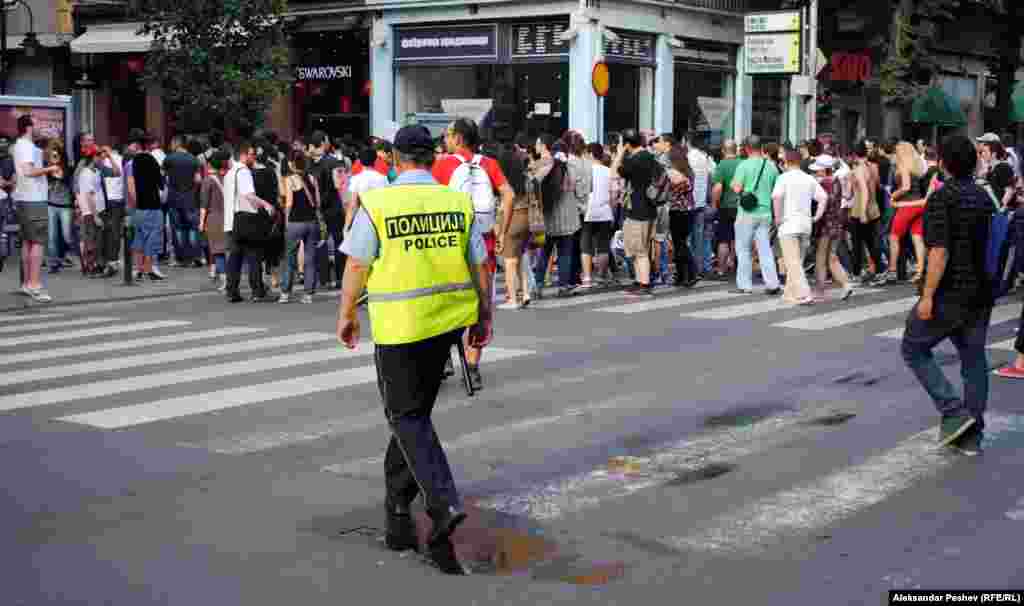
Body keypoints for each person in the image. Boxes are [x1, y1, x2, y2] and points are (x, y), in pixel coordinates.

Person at [336, 124, 493, 575]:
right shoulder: (454, 200)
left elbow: (357, 262)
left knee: (404, 417)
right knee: (412, 417)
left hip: (401, 327)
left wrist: (346, 314)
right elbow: (479, 265)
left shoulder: (380, 202)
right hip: (446, 323)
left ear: (396, 159)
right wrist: (484, 316)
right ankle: (397, 513)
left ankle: (442, 503)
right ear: (431, 158)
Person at [901, 135, 995, 456]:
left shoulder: (943, 199)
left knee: (913, 347)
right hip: (980, 292)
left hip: (950, 292)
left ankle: (953, 411)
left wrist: (927, 296)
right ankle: (972, 436)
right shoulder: (983, 197)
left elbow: (938, 252)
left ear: (943, 164)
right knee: (973, 360)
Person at [432, 118, 513, 391]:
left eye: (447, 134)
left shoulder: (443, 164)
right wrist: (500, 233)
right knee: (481, 305)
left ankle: (443, 357)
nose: (445, 139)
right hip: (485, 244)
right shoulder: (488, 164)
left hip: (451, 244)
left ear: (456, 138)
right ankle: (473, 365)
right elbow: (508, 195)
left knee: (446, 301)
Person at [14, 115, 61, 301]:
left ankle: (27, 283)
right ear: (28, 127)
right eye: (36, 124)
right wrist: (50, 169)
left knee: (28, 241)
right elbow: (28, 171)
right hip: (34, 199)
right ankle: (34, 285)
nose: (39, 127)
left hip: (25, 199)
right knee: (38, 242)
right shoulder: (26, 147)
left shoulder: (20, 145)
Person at [223, 141, 276, 303]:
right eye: (252, 154)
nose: (254, 157)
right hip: (246, 218)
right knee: (254, 254)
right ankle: (257, 291)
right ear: (244, 155)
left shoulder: (229, 173)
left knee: (235, 257)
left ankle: (232, 290)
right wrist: (266, 204)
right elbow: (249, 195)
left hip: (231, 220)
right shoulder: (244, 171)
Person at [773, 150, 827, 305]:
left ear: (787, 162)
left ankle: (804, 294)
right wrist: (816, 216)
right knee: (797, 261)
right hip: (805, 224)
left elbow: (776, 197)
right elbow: (823, 197)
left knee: (792, 262)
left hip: (788, 223)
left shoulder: (783, 178)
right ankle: (790, 294)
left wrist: (777, 218)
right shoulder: (809, 178)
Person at [612, 129, 661, 297]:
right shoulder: (649, 156)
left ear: (627, 144)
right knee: (643, 249)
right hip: (650, 209)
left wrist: (619, 153)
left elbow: (614, 173)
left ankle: (644, 284)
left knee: (639, 251)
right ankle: (640, 281)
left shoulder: (634, 160)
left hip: (637, 210)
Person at [730, 135, 781, 295]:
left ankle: (745, 285)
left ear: (747, 148)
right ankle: (772, 283)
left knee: (743, 249)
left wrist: (735, 186)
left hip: (747, 213)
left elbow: (737, 188)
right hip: (765, 213)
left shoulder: (743, 165)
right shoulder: (772, 166)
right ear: (761, 148)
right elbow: (776, 191)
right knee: (765, 249)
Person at [128, 133, 167, 281]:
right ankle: (149, 269)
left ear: (138, 145)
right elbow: (161, 184)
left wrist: (136, 200)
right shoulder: (152, 161)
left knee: (138, 238)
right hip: (153, 206)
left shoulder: (133, 162)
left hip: (139, 207)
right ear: (149, 146)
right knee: (152, 238)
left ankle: (136, 270)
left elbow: (130, 182)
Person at [710, 140, 741, 279]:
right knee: (737, 238)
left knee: (723, 239)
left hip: (726, 207)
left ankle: (721, 269)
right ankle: (733, 263)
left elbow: (718, 187)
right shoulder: (743, 163)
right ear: (736, 150)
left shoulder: (722, 165)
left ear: (723, 150)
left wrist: (714, 204)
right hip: (741, 207)